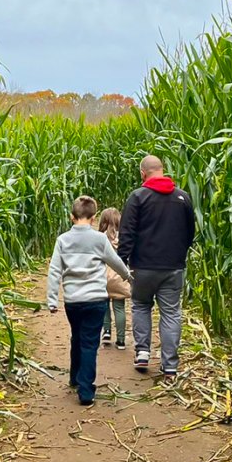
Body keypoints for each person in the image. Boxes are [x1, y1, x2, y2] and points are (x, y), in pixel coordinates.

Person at [47, 195, 133, 406]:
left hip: (73, 301)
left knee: (77, 337)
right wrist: (128, 276)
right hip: (95, 299)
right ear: (94, 218)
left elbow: (54, 270)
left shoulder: (63, 240)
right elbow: (115, 261)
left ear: (71, 217)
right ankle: (86, 391)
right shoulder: (99, 239)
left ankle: (75, 377)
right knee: (88, 344)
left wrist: (51, 299)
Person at [117, 155, 195, 384]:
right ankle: (170, 366)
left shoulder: (138, 197)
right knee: (171, 313)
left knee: (141, 305)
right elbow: (190, 232)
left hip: (143, 266)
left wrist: (122, 262)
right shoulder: (182, 198)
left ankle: (142, 353)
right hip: (173, 267)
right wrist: (180, 253)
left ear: (143, 173)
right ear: (162, 170)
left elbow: (127, 233)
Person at [98, 207, 131, 349]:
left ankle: (106, 332)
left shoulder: (100, 237)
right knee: (119, 307)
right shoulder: (124, 237)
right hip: (119, 275)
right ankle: (121, 340)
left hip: (102, 275)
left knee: (104, 305)